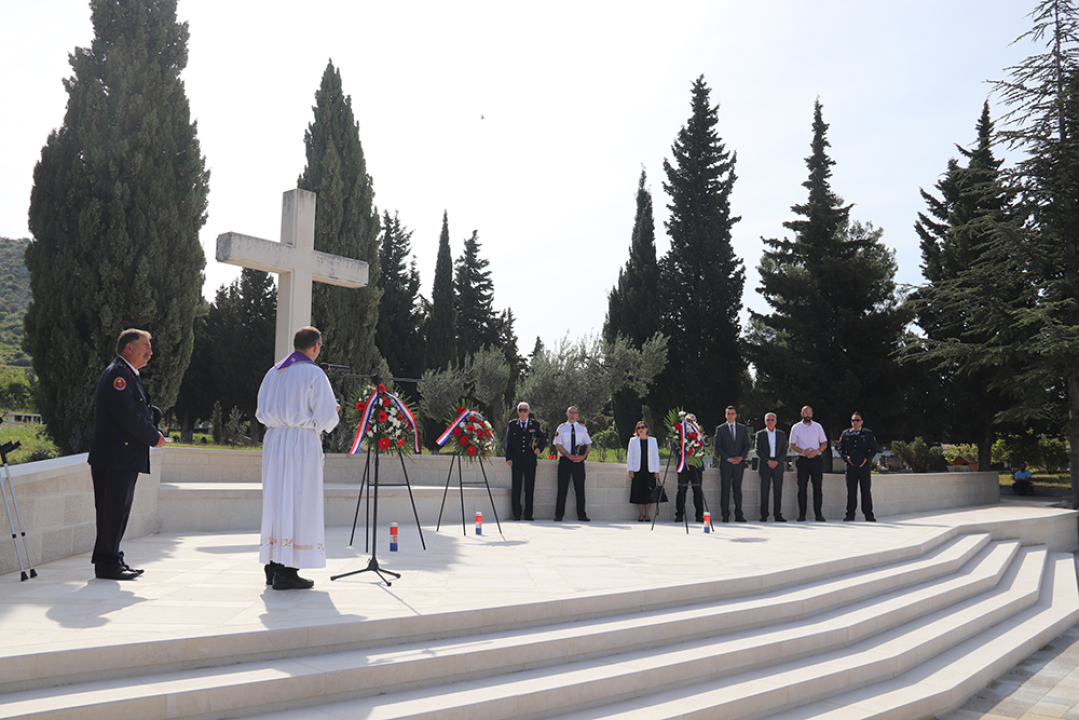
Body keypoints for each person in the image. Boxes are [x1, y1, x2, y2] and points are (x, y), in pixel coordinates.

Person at [256, 326, 339, 590]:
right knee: (298, 500)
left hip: (275, 440)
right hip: (301, 442)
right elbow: (326, 416)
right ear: (315, 346)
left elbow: (261, 408)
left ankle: (273, 564)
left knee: (277, 499)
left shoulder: (273, 372)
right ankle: (287, 571)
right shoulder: (314, 373)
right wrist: (334, 410)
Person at [88, 329, 167, 580]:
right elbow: (126, 416)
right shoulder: (118, 375)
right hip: (114, 458)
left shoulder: (129, 375)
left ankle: (113, 559)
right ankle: (106, 564)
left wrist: (153, 421)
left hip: (123, 457)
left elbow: (138, 410)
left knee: (118, 511)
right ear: (128, 348)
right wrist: (154, 437)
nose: (150, 351)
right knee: (111, 511)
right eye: (145, 346)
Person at [504, 401, 547, 521]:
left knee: (529, 488)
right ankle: (516, 514)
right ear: (517, 412)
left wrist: (539, 448)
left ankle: (529, 514)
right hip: (516, 461)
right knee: (516, 488)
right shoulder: (512, 425)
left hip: (530, 461)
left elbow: (543, 437)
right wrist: (509, 458)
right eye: (520, 410)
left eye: (525, 410)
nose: (522, 413)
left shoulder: (535, 424)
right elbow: (508, 443)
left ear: (528, 412)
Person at [790, 405, 829, 521]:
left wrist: (816, 452)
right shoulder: (796, 427)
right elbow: (792, 445)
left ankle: (818, 514)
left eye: (810, 413)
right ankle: (802, 515)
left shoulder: (818, 427)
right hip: (802, 461)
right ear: (802, 414)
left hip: (816, 460)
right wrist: (803, 452)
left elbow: (824, 443)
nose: (808, 415)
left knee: (817, 488)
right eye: (806, 413)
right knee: (802, 488)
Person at [839, 412, 880, 522]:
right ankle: (850, 514)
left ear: (862, 422)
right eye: (853, 420)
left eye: (857, 420)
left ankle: (868, 514)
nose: (855, 422)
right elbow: (840, 449)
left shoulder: (868, 433)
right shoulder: (846, 434)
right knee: (851, 491)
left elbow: (873, 449)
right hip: (850, 467)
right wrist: (847, 458)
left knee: (865, 491)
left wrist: (866, 460)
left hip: (864, 467)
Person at [553, 406, 591, 522]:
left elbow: (588, 444)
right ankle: (559, 515)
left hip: (579, 462)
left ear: (578, 415)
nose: (572, 415)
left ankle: (582, 515)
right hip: (565, 461)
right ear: (567, 414)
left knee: (580, 489)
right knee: (562, 488)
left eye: (574, 413)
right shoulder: (561, 428)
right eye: (570, 413)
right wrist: (569, 456)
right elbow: (558, 445)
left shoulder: (582, 429)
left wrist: (583, 457)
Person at [714, 406, 751, 522]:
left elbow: (746, 445)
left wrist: (741, 457)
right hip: (726, 464)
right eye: (728, 413)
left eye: (732, 413)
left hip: (739, 464)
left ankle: (739, 514)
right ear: (725, 415)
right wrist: (728, 458)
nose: (730, 415)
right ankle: (725, 515)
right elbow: (717, 447)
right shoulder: (720, 429)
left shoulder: (742, 428)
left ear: (736, 415)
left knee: (737, 490)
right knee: (725, 490)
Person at [755, 412, 789, 522]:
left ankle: (777, 514)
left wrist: (777, 461)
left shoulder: (781, 434)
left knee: (778, 490)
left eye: (772, 420)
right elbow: (758, 450)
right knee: (764, 490)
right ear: (765, 422)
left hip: (778, 465)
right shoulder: (760, 434)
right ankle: (764, 515)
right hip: (765, 465)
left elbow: (784, 450)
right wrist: (768, 461)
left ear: (776, 421)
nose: (770, 422)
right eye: (768, 420)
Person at [627, 420, 661, 522]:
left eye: (642, 427)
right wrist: (630, 469)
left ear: (647, 429)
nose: (640, 429)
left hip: (649, 470)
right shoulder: (633, 441)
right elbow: (630, 456)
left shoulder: (653, 440)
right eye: (638, 428)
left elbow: (656, 456)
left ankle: (647, 514)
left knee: (649, 492)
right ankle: (641, 514)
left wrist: (657, 470)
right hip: (638, 469)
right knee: (639, 491)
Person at [675, 413, 704, 523]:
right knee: (682, 490)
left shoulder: (699, 433)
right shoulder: (679, 434)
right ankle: (679, 515)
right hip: (684, 465)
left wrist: (695, 459)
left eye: (692, 421)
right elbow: (675, 448)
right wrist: (685, 458)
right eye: (688, 421)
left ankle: (699, 515)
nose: (690, 424)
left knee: (697, 490)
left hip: (696, 466)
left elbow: (703, 448)